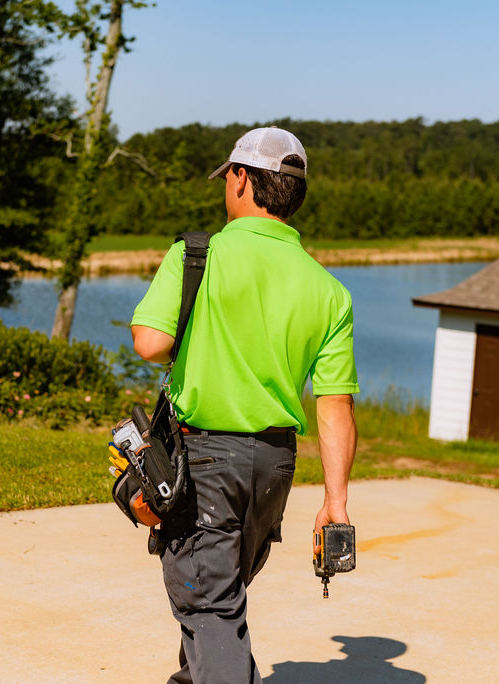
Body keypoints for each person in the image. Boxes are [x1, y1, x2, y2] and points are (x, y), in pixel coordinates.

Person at [130, 126, 360, 684]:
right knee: (220, 592)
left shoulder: (197, 255)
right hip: (274, 467)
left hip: (206, 458)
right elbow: (335, 410)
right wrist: (336, 502)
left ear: (240, 178)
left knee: (207, 601)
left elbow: (149, 343)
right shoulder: (328, 290)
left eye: (226, 178)